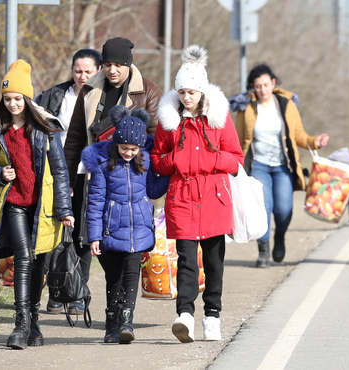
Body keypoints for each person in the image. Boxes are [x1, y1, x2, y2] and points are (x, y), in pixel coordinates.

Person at [0, 60, 74, 349]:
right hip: (15, 204)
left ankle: (34, 321)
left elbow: (59, 171)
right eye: (8, 99)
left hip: (43, 208)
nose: (13, 104)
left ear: (27, 98)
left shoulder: (46, 128)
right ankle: (20, 325)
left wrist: (65, 210)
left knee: (39, 261)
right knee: (24, 258)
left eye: (18, 98)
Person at [151, 45, 244, 342]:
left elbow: (236, 159)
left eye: (191, 92)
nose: (186, 97)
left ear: (202, 92)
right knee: (187, 261)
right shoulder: (169, 120)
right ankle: (186, 316)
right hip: (182, 197)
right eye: (182, 92)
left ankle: (212, 316)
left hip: (215, 198)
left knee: (215, 263)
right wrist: (175, 161)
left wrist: (213, 160)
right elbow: (157, 159)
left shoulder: (218, 118)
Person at [63, 37, 162, 314]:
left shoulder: (148, 91)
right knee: (97, 242)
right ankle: (95, 299)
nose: (112, 70)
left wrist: (150, 177)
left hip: (133, 180)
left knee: (128, 252)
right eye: (107, 64)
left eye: (118, 64)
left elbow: (153, 140)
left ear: (129, 64)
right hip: (95, 176)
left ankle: (121, 314)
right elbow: (73, 140)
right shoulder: (90, 90)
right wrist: (68, 181)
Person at [83, 107, 168, 344]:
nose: (129, 153)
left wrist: (168, 178)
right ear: (116, 144)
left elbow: (152, 190)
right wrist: (94, 236)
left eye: (133, 149)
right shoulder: (103, 165)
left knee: (132, 275)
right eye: (124, 149)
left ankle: (127, 322)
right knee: (114, 277)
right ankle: (112, 323)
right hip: (112, 229)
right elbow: (96, 201)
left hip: (139, 227)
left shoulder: (146, 163)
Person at [233, 64, 330, 268]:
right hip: (258, 165)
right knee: (264, 208)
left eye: (266, 85)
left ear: (273, 83)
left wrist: (315, 141)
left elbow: (298, 135)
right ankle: (263, 252)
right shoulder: (246, 108)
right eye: (258, 86)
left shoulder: (286, 104)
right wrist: (235, 165)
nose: (262, 90)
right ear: (252, 86)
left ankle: (280, 237)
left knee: (284, 209)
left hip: (283, 165)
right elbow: (239, 139)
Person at [35, 48, 102, 315]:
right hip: (58, 174)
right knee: (56, 234)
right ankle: (56, 291)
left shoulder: (104, 97)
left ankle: (76, 292)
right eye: (77, 71)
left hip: (90, 174)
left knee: (82, 235)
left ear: (98, 71)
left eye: (88, 71)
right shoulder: (55, 95)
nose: (82, 76)